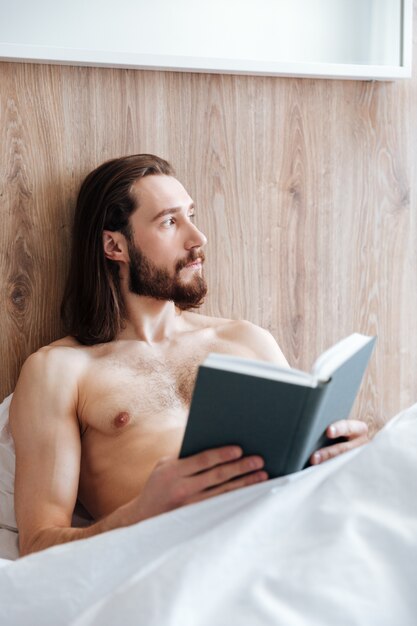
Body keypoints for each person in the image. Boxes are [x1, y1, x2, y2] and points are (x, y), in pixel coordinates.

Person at [9, 154, 369, 556]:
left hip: (291, 539)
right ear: (115, 245)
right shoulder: (60, 371)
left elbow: (306, 467)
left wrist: (344, 453)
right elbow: (38, 545)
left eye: (191, 215)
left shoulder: (246, 340)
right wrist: (141, 512)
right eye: (169, 222)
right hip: (183, 563)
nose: (198, 238)